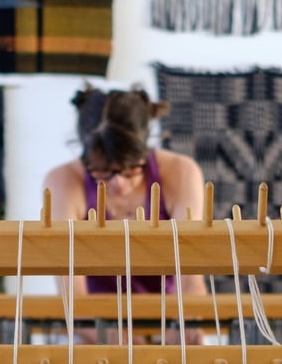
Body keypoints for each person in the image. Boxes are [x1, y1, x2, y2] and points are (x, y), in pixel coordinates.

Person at [42, 81, 209, 308]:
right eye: (102, 171)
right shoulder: (62, 182)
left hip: (170, 313)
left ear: (144, 149)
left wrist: (183, 324)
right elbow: (71, 293)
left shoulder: (181, 173)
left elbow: (190, 279)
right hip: (95, 320)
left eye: (130, 169)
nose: (118, 183)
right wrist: (113, 338)